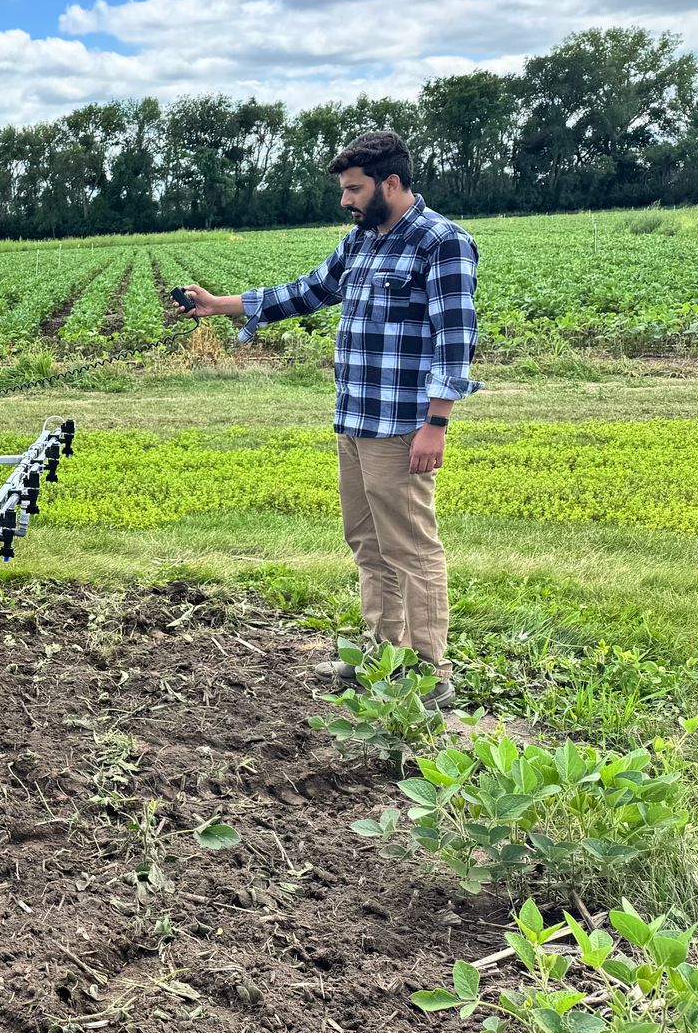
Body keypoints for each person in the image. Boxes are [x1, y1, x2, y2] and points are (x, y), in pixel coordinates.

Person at [175, 130, 480, 706]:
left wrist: (436, 422)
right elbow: (308, 291)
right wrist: (218, 305)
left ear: (391, 183)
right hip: (354, 416)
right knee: (367, 542)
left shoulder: (442, 243)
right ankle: (379, 652)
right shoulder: (361, 241)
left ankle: (430, 671)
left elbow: (456, 339)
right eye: (345, 189)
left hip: (401, 423)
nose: (346, 200)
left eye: (355, 189)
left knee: (410, 546)